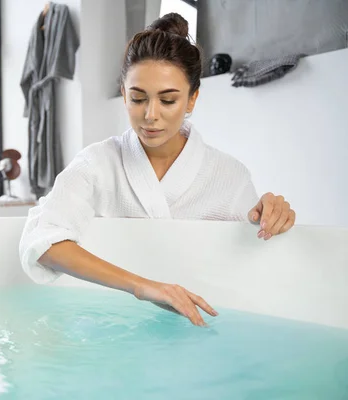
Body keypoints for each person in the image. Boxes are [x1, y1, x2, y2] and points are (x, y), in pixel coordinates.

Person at [18, 13, 296, 327]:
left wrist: (274, 215)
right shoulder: (95, 164)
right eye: (138, 98)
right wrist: (141, 286)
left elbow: (256, 260)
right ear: (123, 94)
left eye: (168, 100)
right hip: (111, 326)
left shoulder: (229, 175)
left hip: (201, 323)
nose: (150, 115)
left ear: (192, 100)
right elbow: (43, 243)